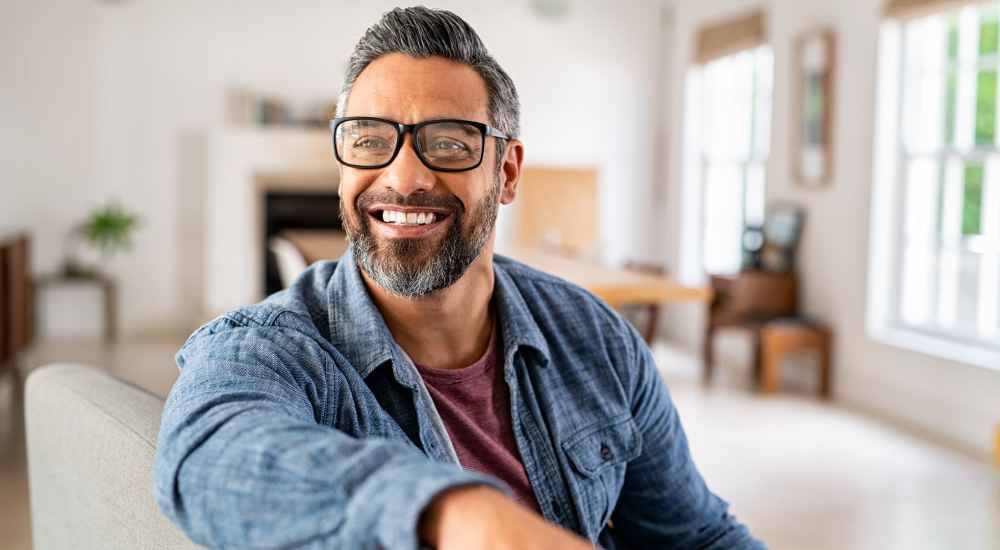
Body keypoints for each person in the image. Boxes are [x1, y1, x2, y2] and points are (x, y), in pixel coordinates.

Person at [154, 6, 764, 550]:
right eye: (369, 140)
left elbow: (698, 535)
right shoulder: (269, 348)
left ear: (508, 171)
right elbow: (209, 456)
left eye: (448, 143)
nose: (405, 177)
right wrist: (456, 516)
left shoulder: (596, 338)